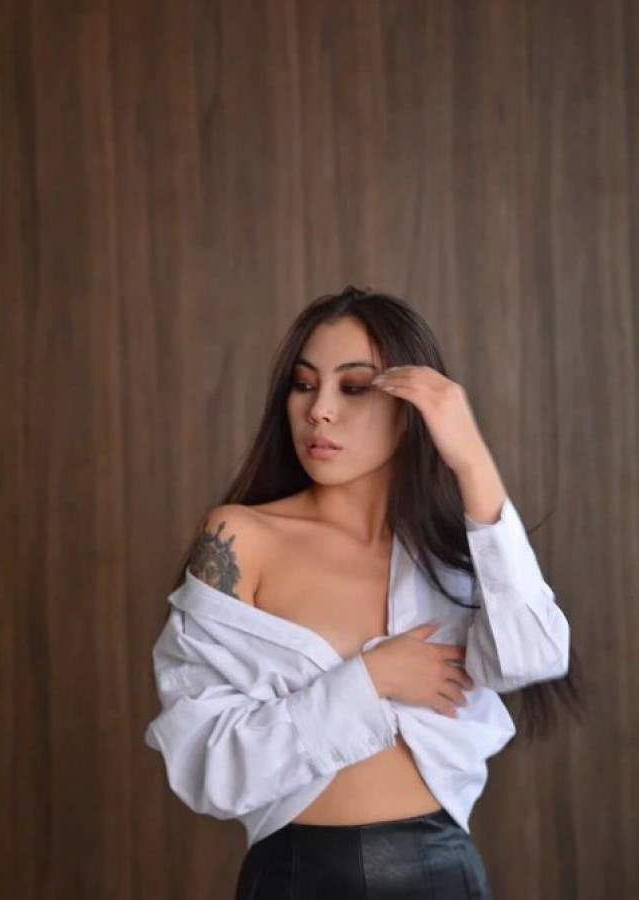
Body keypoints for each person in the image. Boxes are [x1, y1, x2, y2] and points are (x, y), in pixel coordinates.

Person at [145, 285, 582, 899]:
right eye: (304, 384)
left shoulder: (454, 553)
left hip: (443, 875)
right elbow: (206, 765)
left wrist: (472, 463)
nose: (319, 410)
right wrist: (370, 679)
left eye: (353, 387)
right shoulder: (239, 539)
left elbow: (533, 656)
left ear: (414, 410)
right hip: (294, 877)